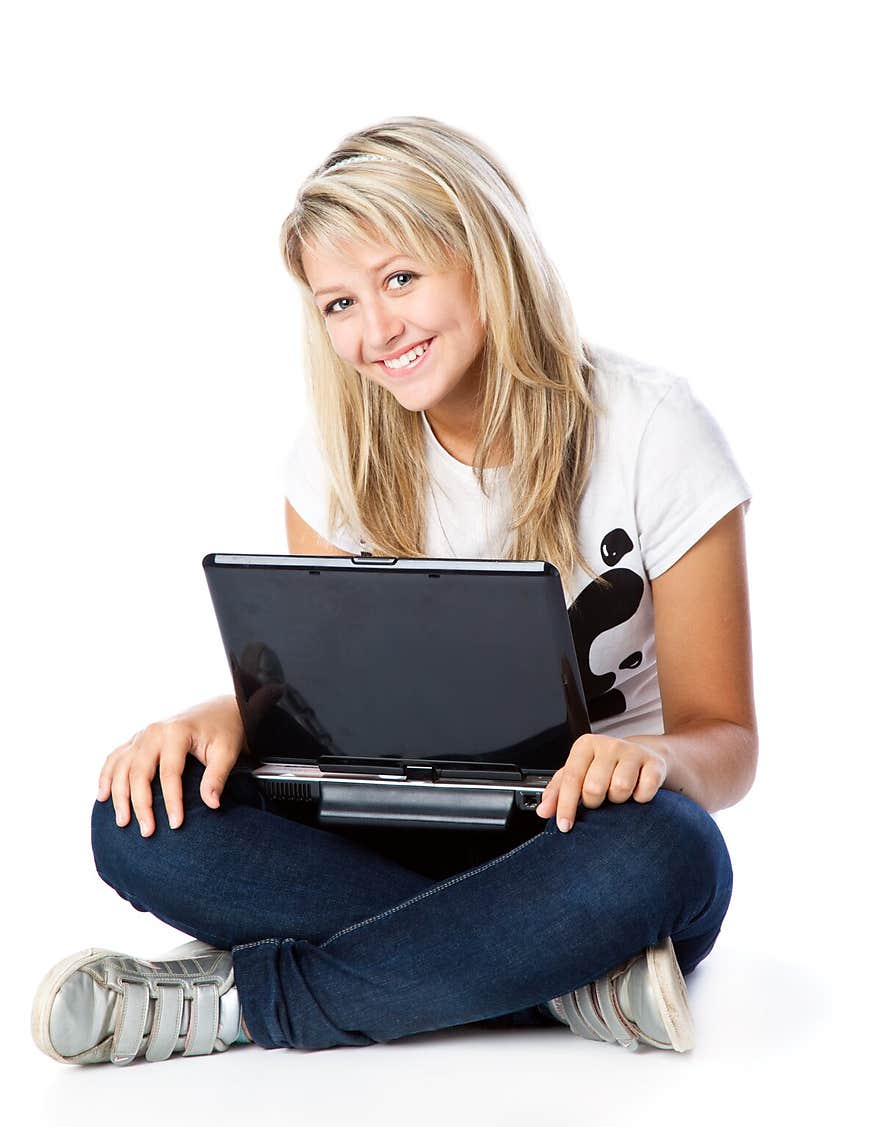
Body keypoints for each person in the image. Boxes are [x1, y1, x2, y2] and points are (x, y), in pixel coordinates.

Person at [31, 116, 757, 1066]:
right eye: (338, 303)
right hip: (399, 836)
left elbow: (728, 743)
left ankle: (246, 1005)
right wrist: (222, 714)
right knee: (136, 819)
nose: (375, 333)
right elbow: (327, 726)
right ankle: (565, 979)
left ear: (485, 259)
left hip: (584, 849)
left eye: (400, 279)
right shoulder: (332, 460)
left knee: (674, 851)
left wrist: (657, 764)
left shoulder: (655, 431)